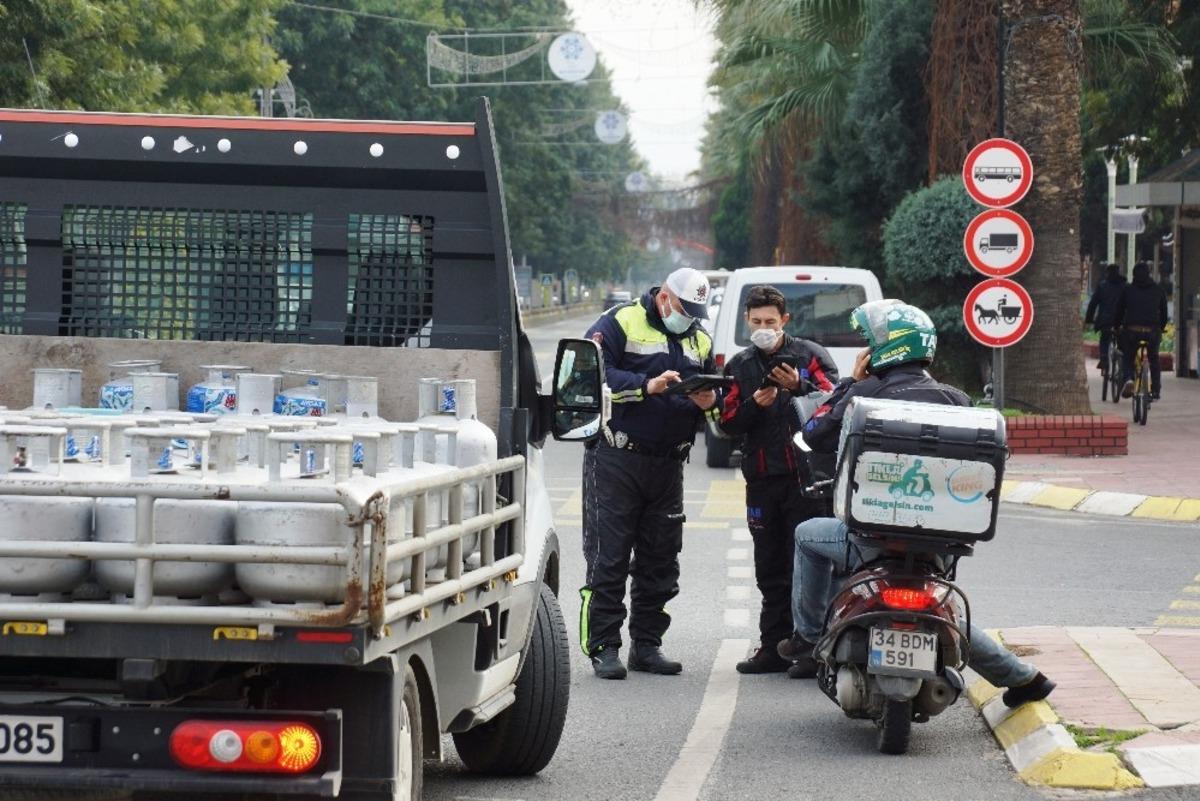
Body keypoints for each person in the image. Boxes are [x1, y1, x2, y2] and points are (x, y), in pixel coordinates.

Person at [777, 299, 1056, 707]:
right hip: (940, 544)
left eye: (868, 343)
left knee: (805, 535)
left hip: (872, 538)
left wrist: (851, 384)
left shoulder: (867, 393)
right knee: (940, 608)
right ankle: (1023, 678)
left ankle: (810, 635)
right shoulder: (958, 400)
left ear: (883, 350)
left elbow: (812, 433)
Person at [580, 267, 721, 680]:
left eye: (696, 312)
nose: (689, 318)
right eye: (684, 308)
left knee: (660, 561)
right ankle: (604, 647)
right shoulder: (620, 322)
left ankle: (647, 645)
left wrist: (709, 401)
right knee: (609, 559)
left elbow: (711, 405)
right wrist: (647, 386)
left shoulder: (701, 339)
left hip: (669, 464)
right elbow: (592, 375)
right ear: (664, 297)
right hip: (617, 459)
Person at [716, 285, 839, 674]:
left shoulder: (810, 356)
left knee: (808, 565)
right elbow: (727, 422)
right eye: (756, 322)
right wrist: (755, 404)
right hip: (763, 479)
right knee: (769, 565)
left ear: (785, 321)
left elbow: (836, 404)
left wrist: (799, 388)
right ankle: (772, 645)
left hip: (808, 480)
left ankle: (811, 649)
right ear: (746, 321)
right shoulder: (739, 365)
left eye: (771, 321)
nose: (763, 328)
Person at [1116, 261, 1168, 400]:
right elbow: (1164, 312)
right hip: (1152, 332)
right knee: (1154, 359)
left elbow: (1119, 310)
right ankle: (1156, 391)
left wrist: (1117, 326)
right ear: (1149, 274)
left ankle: (1128, 379)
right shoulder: (1158, 289)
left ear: (1133, 275)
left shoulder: (1127, 290)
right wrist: (1161, 328)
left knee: (1128, 356)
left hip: (1132, 330)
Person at [1084, 263, 1127, 374]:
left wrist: (1089, 319)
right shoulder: (1125, 286)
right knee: (1122, 341)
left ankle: (1103, 358)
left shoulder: (1102, 286)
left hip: (1105, 321)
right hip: (1121, 321)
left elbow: (1093, 304)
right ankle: (1123, 362)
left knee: (1104, 339)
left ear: (1107, 273)